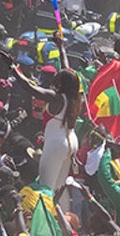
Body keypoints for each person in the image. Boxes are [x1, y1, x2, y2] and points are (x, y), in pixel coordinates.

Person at [5, 47, 79, 195]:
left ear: (62, 82)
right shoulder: (76, 97)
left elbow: (30, 87)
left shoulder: (56, 97)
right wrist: (62, 48)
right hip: (71, 140)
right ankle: (59, 215)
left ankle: (44, 216)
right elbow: (68, 70)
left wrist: (13, 68)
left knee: (45, 188)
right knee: (59, 188)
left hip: (57, 144)